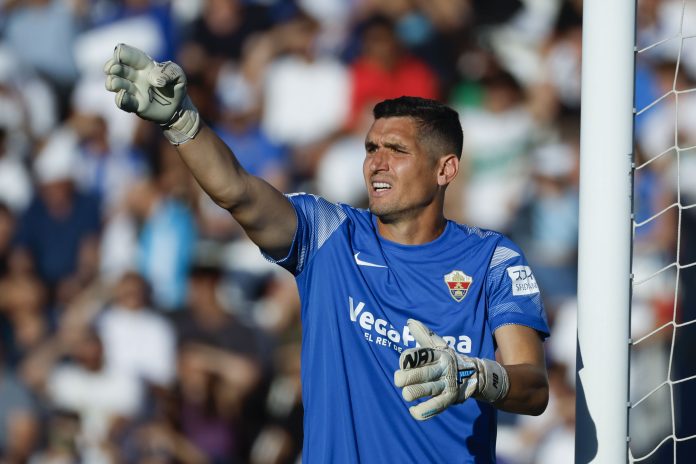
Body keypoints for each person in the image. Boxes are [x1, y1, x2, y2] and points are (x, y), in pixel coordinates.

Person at [104, 43, 550, 462]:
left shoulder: (493, 259)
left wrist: (475, 376)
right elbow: (237, 191)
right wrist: (182, 122)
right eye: (371, 148)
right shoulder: (328, 234)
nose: (376, 162)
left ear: (445, 169)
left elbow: (533, 386)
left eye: (397, 150)